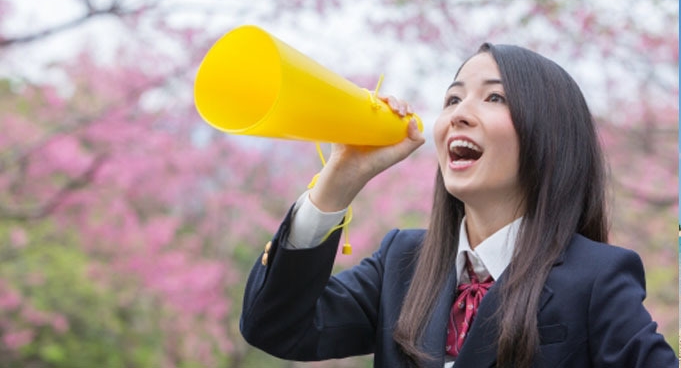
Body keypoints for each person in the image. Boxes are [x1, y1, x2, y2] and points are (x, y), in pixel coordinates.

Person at [239, 43, 677, 367]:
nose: (458, 114)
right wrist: (339, 180)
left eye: (494, 97)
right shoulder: (402, 263)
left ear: (549, 138)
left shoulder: (596, 278)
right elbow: (276, 327)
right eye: (453, 99)